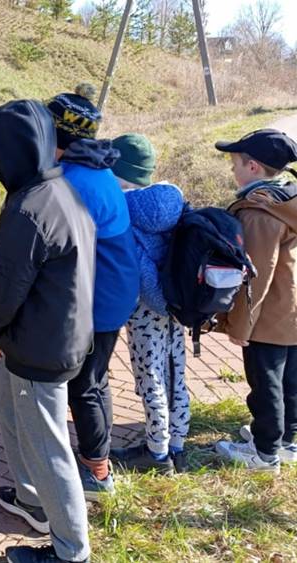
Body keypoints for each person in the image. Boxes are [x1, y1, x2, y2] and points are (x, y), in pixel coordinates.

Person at [0, 100, 94, 563]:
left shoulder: (28, 210)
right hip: (56, 332)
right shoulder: (58, 190)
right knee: (2, 392)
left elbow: (4, 287)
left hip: (40, 347)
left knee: (49, 447)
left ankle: (71, 551)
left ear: (9, 155)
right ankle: (32, 499)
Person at [47, 92, 139, 499]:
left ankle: (97, 472)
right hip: (115, 286)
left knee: (83, 384)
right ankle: (97, 458)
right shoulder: (93, 167)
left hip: (100, 293)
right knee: (94, 379)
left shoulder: (74, 181)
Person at [213, 129, 297, 473]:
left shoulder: (260, 212)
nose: (232, 169)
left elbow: (257, 275)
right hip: (289, 309)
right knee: (289, 380)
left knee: (266, 383)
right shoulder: (287, 199)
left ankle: (264, 454)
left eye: (235, 163)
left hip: (268, 316)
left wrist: (240, 325)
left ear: (253, 167)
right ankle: (286, 441)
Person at [108, 134, 189, 475]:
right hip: (177, 302)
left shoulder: (124, 208)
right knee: (175, 372)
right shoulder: (168, 199)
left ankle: (156, 453)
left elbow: (137, 266)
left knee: (149, 375)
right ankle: (177, 445)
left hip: (147, 307)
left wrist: (154, 300)